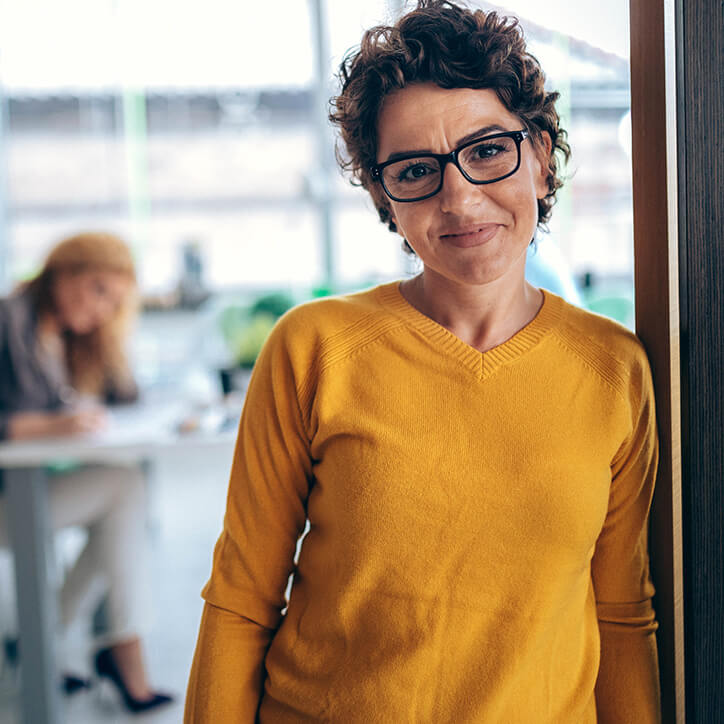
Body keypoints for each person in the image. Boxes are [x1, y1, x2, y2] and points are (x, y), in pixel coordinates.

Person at [185, 2, 660, 721]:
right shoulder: (313, 349)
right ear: (384, 197)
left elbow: (622, 615)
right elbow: (240, 603)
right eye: (415, 171)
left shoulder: (614, 369)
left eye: (488, 150)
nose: (460, 199)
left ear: (538, 154)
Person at [0, 231, 173, 713]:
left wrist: (111, 336)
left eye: (113, 302)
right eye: (98, 290)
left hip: (29, 488)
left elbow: (125, 398)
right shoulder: (7, 320)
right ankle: (118, 650)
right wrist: (47, 425)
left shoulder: (67, 335)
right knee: (123, 489)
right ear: (64, 271)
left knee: (122, 496)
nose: (101, 309)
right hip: (6, 496)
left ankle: (44, 639)